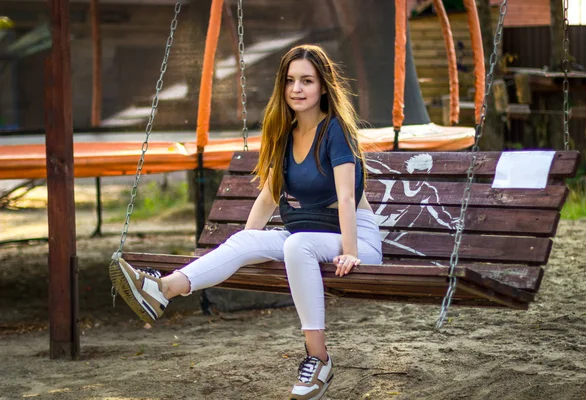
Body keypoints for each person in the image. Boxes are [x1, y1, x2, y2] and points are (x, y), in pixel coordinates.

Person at [110, 44, 383, 400]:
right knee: (248, 240)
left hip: (354, 238)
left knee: (296, 243)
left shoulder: (336, 131)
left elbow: (346, 197)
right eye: (290, 81)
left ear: (323, 87)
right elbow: (270, 197)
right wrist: (246, 248)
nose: (297, 89)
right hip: (307, 236)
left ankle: (319, 359)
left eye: (307, 81)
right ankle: (162, 291)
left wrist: (351, 252)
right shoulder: (284, 134)